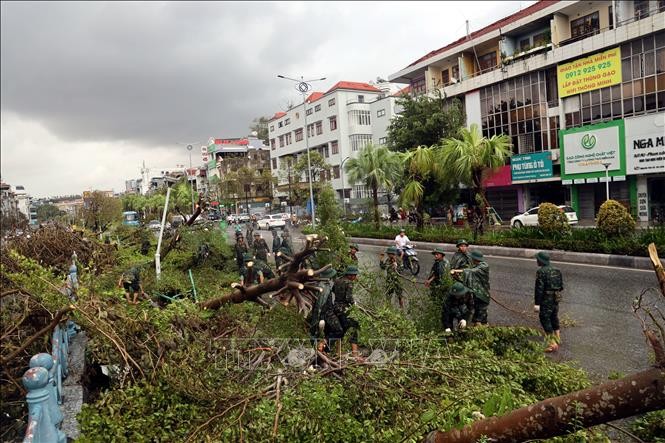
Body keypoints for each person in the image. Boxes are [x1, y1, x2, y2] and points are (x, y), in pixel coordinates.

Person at [322, 265, 362, 359]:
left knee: (340, 330)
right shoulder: (349, 283)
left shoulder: (337, 280)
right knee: (354, 326)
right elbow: (348, 298)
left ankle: (333, 351)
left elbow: (333, 291)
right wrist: (354, 304)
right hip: (344, 309)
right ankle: (355, 353)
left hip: (336, 308)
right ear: (350, 275)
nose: (355, 277)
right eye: (355, 275)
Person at [534, 251, 564, 353]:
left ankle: (552, 343)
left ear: (541, 260)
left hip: (546, 299)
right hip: (556, 297)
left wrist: (537, 304)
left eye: (537, 259)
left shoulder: (541, 272)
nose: (536, 261)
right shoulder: (557, 270)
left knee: (544, 318)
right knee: (554, 316)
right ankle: (558, 337)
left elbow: (539, 289)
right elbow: (561, 286)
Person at [453, 251, 490, 326]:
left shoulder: (483, 266)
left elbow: (471, 272)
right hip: (476, 293)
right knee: (478, 312)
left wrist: (457, 270)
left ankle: (480, 326)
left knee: (480, 314)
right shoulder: (475, 266)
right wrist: (457, 277)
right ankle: (482, 324)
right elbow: (469, 280)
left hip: (482, 294)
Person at [309, 267, 337, 352]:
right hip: (323, 312)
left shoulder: (326, 284)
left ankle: (321, 349)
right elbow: (320, 303)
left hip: (325, 311)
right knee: (317, 330)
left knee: (322, 331)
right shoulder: (323, 286)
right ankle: (317, 349)